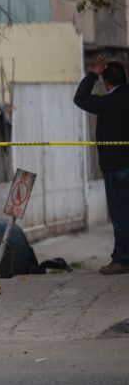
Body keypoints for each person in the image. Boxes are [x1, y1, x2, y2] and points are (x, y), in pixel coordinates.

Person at [74, 56, 129, 275]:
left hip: (117, 169)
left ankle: (122, 259)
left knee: (121, 215)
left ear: (107, 83)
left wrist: (93, 73)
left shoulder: (108, 103)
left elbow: (80, 98)